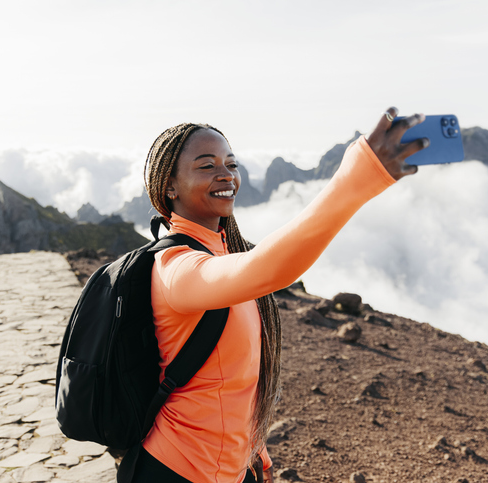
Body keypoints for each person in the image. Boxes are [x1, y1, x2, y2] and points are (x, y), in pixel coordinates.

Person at [130, 107, 427, 483]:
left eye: (231, 163)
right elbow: (268, 268)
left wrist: (254, 452)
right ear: (169, 186)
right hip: (175, 469)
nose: (226, 175)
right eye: (207, 166)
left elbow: (232, 380)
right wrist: (360, 175)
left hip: (232, 469)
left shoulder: (221, 252)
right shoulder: (176, 268)